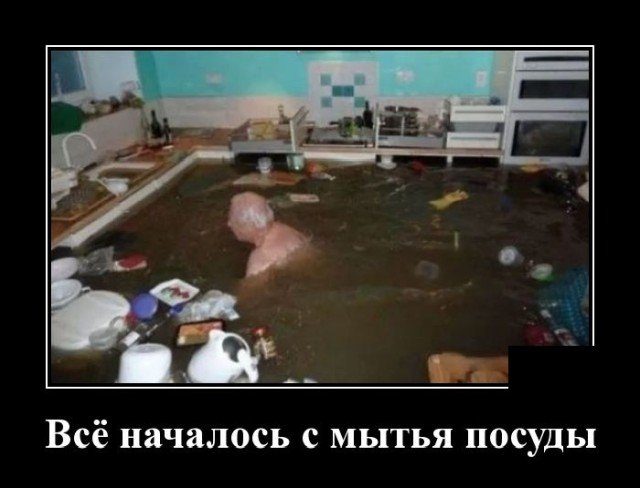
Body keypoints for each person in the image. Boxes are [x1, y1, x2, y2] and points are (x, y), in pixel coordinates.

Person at [228, 192, 308, 277]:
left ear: (247, 225)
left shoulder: (260, 261)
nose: (229, 224)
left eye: (233, 220)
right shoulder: (287, 230)